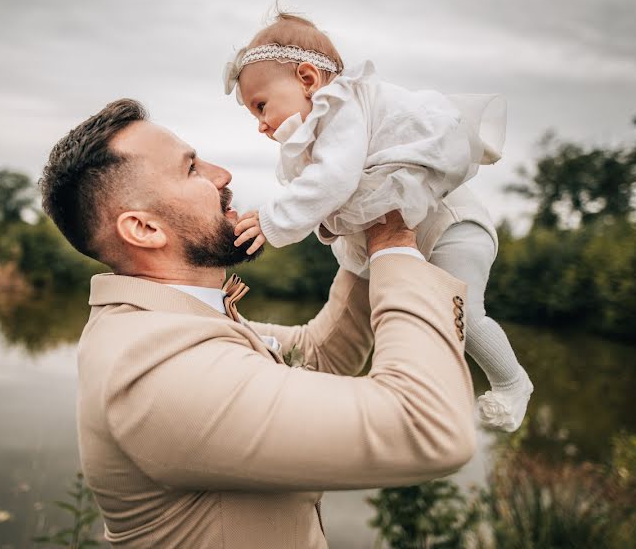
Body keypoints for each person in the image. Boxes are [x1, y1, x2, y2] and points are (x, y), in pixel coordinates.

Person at [40, 98, 477, 548]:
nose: (222, 175)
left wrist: (367, 227)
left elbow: (320, 353)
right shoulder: (157, 367)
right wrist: (395, 244)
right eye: (192, 169)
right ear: (145, 229)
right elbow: (429, 426)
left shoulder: (168, 324)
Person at [224, 12, 533, 432]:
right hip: (399, 238)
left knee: (463, 316)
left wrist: (271, 221)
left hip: (452, 228)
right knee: (394, 309)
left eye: (261, 106)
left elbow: (333, 181)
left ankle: (512, 382)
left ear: (309, 79)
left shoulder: (342, 106)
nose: (260, 125)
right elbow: (330, 193)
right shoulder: (322, 133)